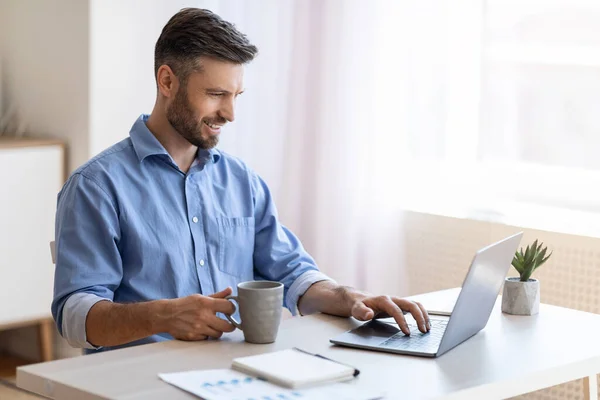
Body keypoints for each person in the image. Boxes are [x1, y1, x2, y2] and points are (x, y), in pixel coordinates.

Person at [51, 8, 430, 353]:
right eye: (216, 94)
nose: (230, 113)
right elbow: (74, 317)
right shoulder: (96, 186)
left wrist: (348, 297)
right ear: (167, 81)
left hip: (235, 375)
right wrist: (162, 316)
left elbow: (293, 274)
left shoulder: (241, 180)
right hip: (136, 381)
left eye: (235, 95)